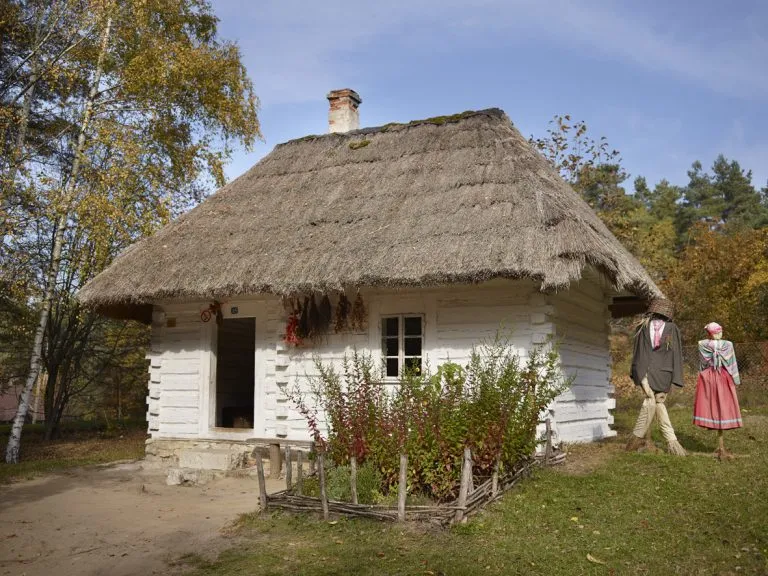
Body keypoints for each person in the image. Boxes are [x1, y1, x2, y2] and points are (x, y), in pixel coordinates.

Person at [626, 298, 686, 456]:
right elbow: (637, 350)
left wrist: (676, 377)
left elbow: (676, 352)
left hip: (663, 373)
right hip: (644, 370)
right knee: (650, 400)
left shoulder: (672, 328)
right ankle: (670, 441)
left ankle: (640, 438)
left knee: (656, 403)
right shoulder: (643, 326)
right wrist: (636, 371)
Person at [693, 322, 742, 460]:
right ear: (711, 333)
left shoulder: (703, 344)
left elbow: (703, 363)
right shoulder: (728, 345)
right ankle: (720, 445)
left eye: (720, 332)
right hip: (722, 377)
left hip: (709, 377)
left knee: (714, 403)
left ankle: (720, 443)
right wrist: (736, 379)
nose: (719, 334)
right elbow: (732, 363)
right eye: (716, 332)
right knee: (718, 403)